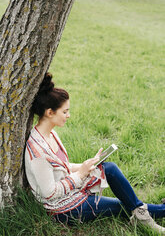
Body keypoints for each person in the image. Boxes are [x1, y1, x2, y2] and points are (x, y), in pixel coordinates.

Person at [24, 72, 165, 234]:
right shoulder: (38, 152)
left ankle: (145, 213)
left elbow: (61, 168)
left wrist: (86, 166)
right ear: (50, 112)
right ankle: (150, 215)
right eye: (65, 112)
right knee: (122, 205)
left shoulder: (50, 134)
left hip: (72, 193)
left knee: (109, 168)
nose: (68, 115)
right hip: (63, 209)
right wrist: (80, 175)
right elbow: (49, 194)